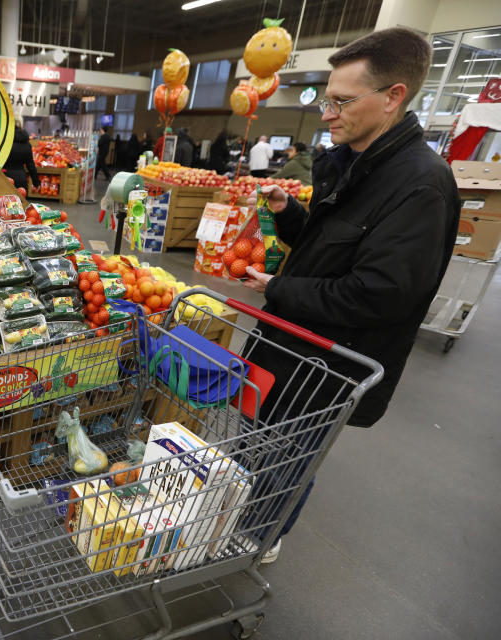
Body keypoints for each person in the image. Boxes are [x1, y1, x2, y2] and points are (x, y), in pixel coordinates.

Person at [239, 27, 460, 563]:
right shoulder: (355, 163)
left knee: (288, 458)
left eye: (341, 101)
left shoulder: (420, 187)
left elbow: (379, 294)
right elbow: (332, 248)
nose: (326, 113)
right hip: (290, 346)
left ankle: (258, 541)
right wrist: (288, 213)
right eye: (325, 99)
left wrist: (279, 288)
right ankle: (239, 520)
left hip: (328, 367)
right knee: (256, 446)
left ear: (393, 96)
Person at [4, 119, 40, 194]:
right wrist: (36, 182)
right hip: (21, 179)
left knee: (3, 204)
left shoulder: (3, 142)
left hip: (5, 178)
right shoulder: (26, 144)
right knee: (21, 203)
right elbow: (31, 165)